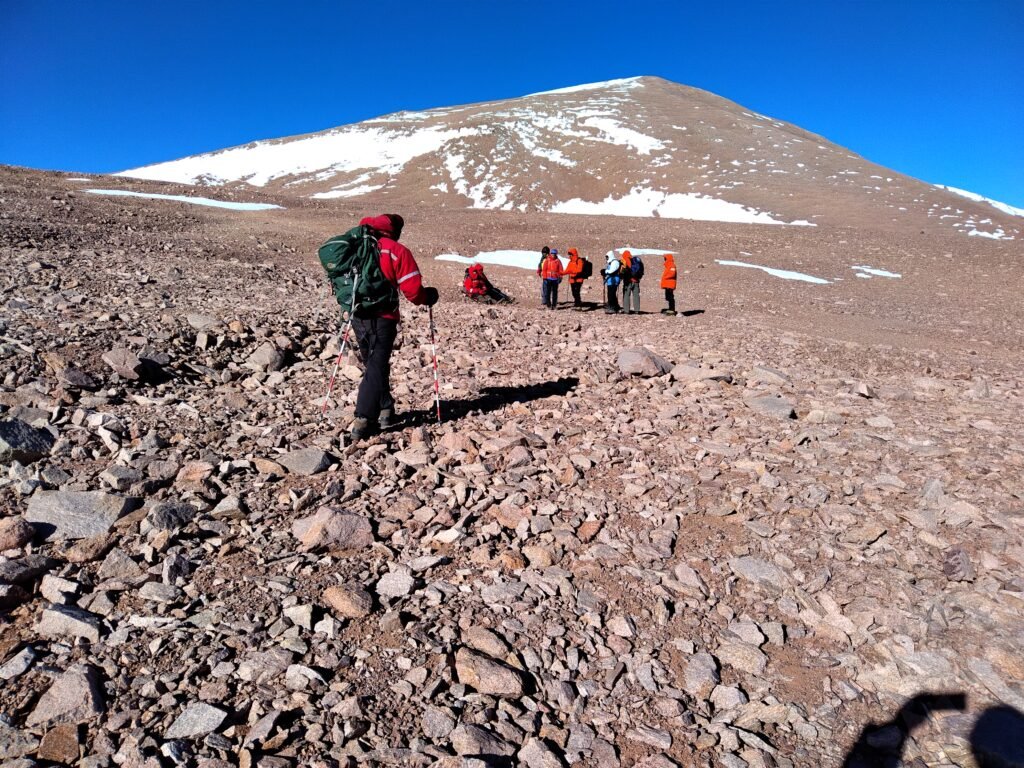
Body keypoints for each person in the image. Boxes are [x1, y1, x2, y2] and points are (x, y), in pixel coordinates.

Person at [349, 214, 438, 440]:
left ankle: (386, 408)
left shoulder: (355, 246)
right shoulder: (395, 250)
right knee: (376, 365)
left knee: (373, 362)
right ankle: (364, 418)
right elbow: (413, 291)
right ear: (394, 231)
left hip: (357, 314)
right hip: (383, 317)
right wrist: (429, 296)